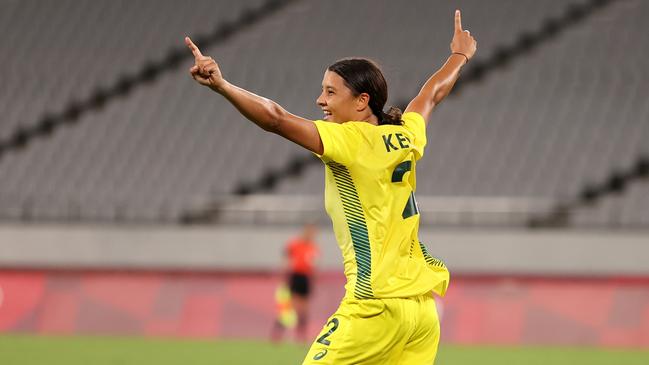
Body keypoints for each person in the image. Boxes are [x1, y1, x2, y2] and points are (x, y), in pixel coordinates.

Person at [186, 9, 476, 364]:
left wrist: (223, 86)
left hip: (374, 306)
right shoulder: (404, 134)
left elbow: (276, 119)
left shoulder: (348, 140)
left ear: (362, 101)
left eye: (329, 92)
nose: (319, 100)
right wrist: (459, 55)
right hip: (422, 313)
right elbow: (430, 96)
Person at [271, 223, 320, 342]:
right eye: (310, 232)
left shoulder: (313, 248)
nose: (312, 235)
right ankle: (277, 334)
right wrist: (285, 272)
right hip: (296, 276)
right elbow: (286, 255)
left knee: (304, 310)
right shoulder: (295, 244)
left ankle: (301, 336)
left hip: (306, 279)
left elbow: (313, 266)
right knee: (291, 309)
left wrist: (314, 280)